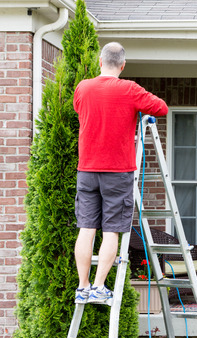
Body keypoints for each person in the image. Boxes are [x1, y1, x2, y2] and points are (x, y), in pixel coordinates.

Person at [72, 42, 168, 304]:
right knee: (112, 230)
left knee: (86, 228)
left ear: (99, 62)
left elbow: (80, 109)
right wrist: (134, 108)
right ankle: (100, 287)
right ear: (123, 65)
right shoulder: (129, 89)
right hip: (117, 172)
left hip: (87, 170)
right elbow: (161, 108)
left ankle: (82, 287)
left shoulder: (83, 87)